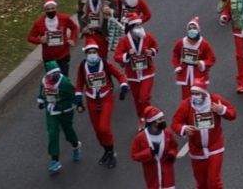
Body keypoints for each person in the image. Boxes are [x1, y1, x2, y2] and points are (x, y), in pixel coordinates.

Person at [171, 77, 235, 189]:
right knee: (201, 183)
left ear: (205, 93)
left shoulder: (215, 100)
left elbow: (233, 114)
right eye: (193, 93)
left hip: (215, 146)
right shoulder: (186, 105)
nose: (195, 96)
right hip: (197, 149)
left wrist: (221, 110)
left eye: (198, 93)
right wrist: (184, 129)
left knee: (214, 182)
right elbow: (175, 123)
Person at [75, 39, 128, 167]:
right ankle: (107, 151)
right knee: (97, 131)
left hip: (106, 98)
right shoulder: (83, 66)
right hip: (91, 100)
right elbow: (79, 84)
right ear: (86, 53)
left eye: (94, 51)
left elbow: (119, 75)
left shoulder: (104, 63)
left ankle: (112, 152)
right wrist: (78, 100)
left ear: (97, 52)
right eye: (89, 52)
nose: (92, 54)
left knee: (104, 128)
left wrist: (124, 85)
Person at [35, 59, 82, 174]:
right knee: (52, 133)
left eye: (57, 73)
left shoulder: (64, 82)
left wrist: (79, 104)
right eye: (52, 74)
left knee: (68, 132)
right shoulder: (44, 81)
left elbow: (74, 93)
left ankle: (76, 145)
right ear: (48, 74)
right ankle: (54, 161)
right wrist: (41, 101)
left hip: (65, 111)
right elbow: (42, 92)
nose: (55, 76)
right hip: (51, 112)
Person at [129, 107, 184, 189]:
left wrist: (172, 154)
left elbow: (174, 146)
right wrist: (149, 152)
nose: (163, 121)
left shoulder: (167, 133)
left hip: (167, 172)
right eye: (160, 119)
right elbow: (134, 155)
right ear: (152, 122)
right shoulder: (140, 138)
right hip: (152, 174)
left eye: (163, 118)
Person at [28, 0, 80, 77]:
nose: (51, 10)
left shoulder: (64, 18)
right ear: (44, 10)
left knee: (64, 79)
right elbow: (30, 37)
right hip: (48, 57)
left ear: (56, 8)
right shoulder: (39, 23)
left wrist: (72, 39)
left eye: (52, 8)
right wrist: (40, 40)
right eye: (48, 9)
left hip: (63, 54)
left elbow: (74, 28)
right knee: (52, 81)